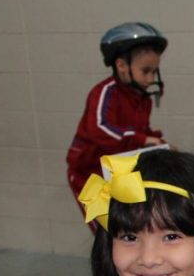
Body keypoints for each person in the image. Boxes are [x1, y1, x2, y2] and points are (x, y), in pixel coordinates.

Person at [66, 22, 170, 229]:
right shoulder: (106, 92)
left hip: (119, 172)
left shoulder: (142, 99)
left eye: (154, 71)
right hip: (90, 174)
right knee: (106, 232)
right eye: (145, 71)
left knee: (131, 229)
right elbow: (100, 129)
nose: (151, 78)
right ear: (121, 65)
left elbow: (138, 133)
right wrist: (143, 139)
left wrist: (158, 144)